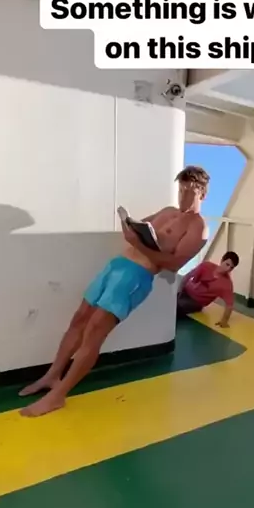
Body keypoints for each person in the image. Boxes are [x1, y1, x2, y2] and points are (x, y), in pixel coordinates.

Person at [19, 165, 210, 417]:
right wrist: (130, 229)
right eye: (181, 189)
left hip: (136, 276)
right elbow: (140, 229)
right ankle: (52, 376)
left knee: (95, 330)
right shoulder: (167, 211)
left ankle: (58, 396)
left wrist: (138, 244)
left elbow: (173, 265)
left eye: (189, 191)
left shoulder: (198, 227)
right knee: (79, 319)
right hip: (116, 265)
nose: (183, 195)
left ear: (202, 194)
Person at [177, 251, 239, 327]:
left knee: (177, 306)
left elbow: (229, 305)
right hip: (186, 290)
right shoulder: (206, 266)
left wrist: (224, 321)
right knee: (169, 298)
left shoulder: (227, 284)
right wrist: (179, 292)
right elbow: (187, 277)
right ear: (222, 260)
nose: (228, 269)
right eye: (227, 264)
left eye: (231, 268)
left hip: (196, 302)